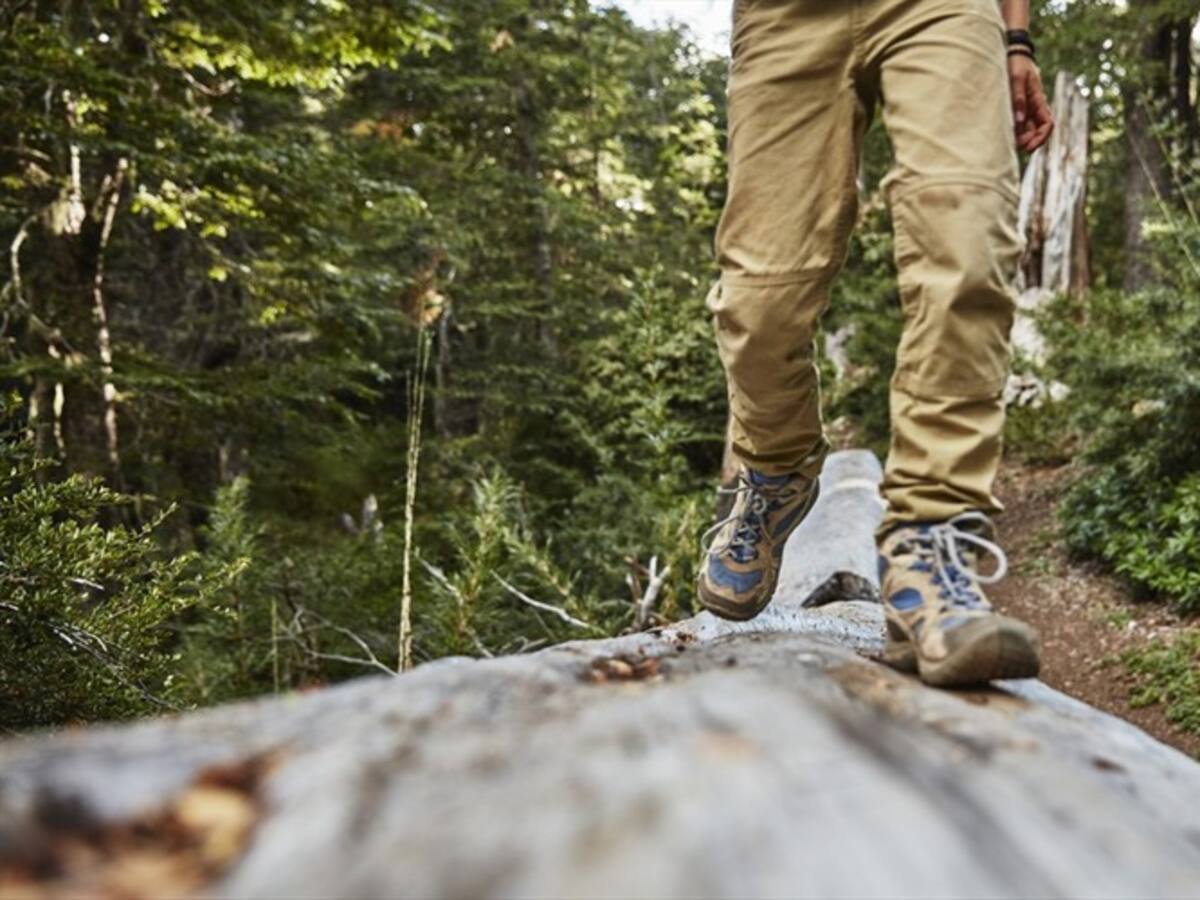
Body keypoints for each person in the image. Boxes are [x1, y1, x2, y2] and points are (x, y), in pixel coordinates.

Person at [697, 0, 1055, 687]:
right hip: (784, 19)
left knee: (967, 249)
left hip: (944, 10)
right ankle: (775, 472)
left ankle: (929, 545)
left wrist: (1017, 40)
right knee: (758, 301)